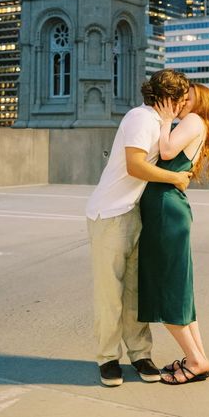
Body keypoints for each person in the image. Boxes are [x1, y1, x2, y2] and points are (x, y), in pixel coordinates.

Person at [86, 69, 193, 387]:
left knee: (135, 293)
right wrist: (176, 178)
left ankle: (140, 354)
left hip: (133, 213)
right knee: (111, 294)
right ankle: (107, 358)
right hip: (109, 215)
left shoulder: (159, 122)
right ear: (168, 98)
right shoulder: (139, 117)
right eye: (181, 99)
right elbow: (135, 165)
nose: (183, 106)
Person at [138, 83, 209, 385]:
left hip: (164, 210)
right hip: (170, 209)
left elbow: (167, 150)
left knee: (166, 289)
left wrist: (163, 121)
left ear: (201, 102)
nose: (182, 100)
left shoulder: (193, 121)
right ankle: (198, 357)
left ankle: (196, 361)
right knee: (178, 287)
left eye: (189, 97)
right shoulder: (199, 125)